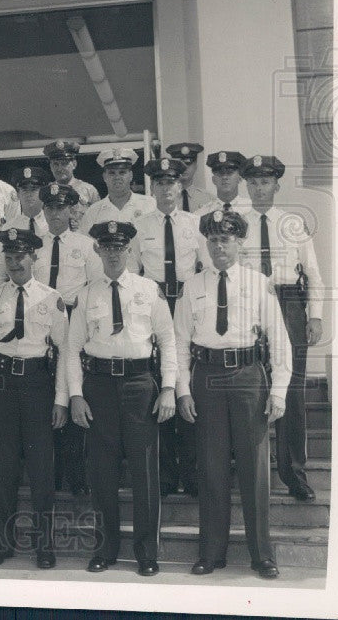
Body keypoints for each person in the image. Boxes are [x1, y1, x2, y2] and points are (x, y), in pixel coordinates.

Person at [174, 210, 291, 578]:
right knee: (210, 466)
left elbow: (279, 341)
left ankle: (262, 555)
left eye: (226, 239)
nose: (219, 246)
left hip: (247, 377)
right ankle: (211, 551)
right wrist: (182, 391)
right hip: (206, 377)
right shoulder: (191, 286)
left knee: (255, 469)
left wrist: (279, 392)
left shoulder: (259, 283)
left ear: (240, 243)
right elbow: (178, 344)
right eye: (212, 240)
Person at [66, 221, 177, 577]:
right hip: (98, 385)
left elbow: (169, 340)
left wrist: (170, 386)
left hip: (139, 383)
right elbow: (71, 350)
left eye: (119, 247)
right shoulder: (86, 294)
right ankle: (105, 549)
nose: (113, 254)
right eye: (106, 247)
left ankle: (146, 552)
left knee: (145, 472)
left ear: (129, 251)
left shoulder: (149, 290)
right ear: (96, 251)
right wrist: (75, 395)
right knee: (102, 472)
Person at [0, 228, 69, 568]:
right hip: (1, 385)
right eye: (9, 258)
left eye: (20, 257)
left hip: (37, 385)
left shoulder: (50, 298)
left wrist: (61, 399)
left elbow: (65, 349)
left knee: (42, 468)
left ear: (34, 258)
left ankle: (45, 545)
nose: (14, 264)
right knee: (3, 467)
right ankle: (1, 543)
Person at [240, 155, 324, 502]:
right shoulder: (238, 224)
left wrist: (315, 315)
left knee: (291, 389)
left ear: (277, 185)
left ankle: (294, 473)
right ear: (247, 186)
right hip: (251, 307)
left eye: (265, 182)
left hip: (290, 305)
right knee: (253, 387)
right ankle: (254, 471)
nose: (259, 189)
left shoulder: (292, 223)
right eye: (254, 182)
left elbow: (314, 274)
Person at [129, 158, 203, 497]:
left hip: (187, 303)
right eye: (159, 183)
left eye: (172, 182)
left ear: (180, 185)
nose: (166, 189)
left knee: (186, 383)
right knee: (159, 385)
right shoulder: (140, 226)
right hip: (154, 305)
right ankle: (165, 473)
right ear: (152, 188)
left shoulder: (195, 223)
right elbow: (131, 276)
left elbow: (205, 271)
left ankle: (192, 472)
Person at [33, 183, 101, 497]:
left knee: (74, 391)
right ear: (43, 210)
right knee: (46, 394)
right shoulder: (34, 246)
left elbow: (97, 287)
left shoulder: (86, 246)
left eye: (61, 208)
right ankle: (50, 475)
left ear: (71, 210)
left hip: (74, 320)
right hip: (41, 322)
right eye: (49, 208)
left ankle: (78, 477)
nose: (54, 214)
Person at [78, 148, 156, 235]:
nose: (117, 177)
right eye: (112, 173)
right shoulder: (93, 212)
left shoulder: (149, 205)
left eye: (122, 172)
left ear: (131, 175)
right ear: (104, 177)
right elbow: (86, 244)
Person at [0, 166, 50, 279]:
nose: (29, 194)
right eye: (24, 190)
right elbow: (0, 271)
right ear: (18, 194)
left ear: (42, 193)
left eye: (34, 189)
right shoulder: (8, 228)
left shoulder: (52, 225)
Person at [43, 139, 101, 230]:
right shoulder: (45, 192)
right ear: (50, 167)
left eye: (64, 164)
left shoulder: (89, 190)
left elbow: (99, 221)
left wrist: (82, 226)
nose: (60, 168)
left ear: (74, 164)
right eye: (55, 164)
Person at [196, 150, 250, 216]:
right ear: (213, 180)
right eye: (220, 173)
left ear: (239, 178)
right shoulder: (202, 213)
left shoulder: (250, 209)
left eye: (230, 173)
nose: (224, 177)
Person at [164, 142, 213, 212]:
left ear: (196, 165)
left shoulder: (208, 199)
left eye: (188, 164)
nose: (184, 168)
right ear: (173, 167)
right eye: (180, 164)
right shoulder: (164, 198)